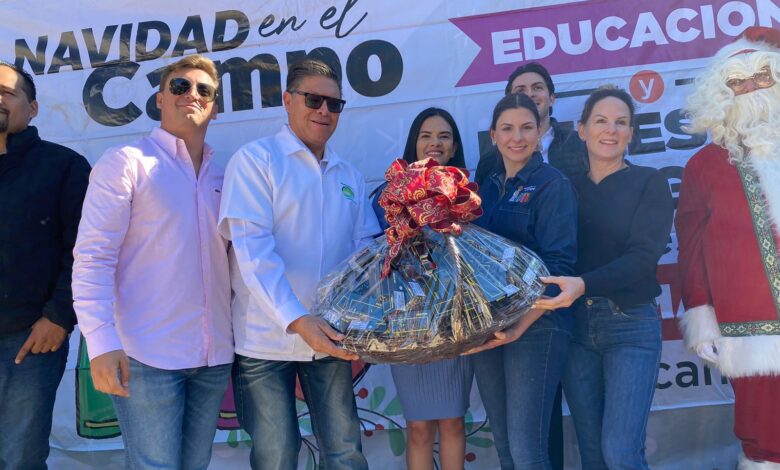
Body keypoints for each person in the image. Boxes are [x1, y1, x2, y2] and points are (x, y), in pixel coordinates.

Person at [72, 54, 232, 469]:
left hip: (213, 357)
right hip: (146, 357)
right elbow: (93, 257)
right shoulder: (126, 162)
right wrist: (101, 344)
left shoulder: (224, 176)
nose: (191, 94)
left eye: (203, 90)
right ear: (160, 99)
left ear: (214, 107)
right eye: (180, 86)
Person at [218, 59, 378, 470]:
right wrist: (297, 318)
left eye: (334, 104)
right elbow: (253, 253)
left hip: (330, 336)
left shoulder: (349, 175)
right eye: (313, 99)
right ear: (288, 101)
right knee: (277, 456)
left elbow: (363, 253)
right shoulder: (256, 160)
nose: (324, 110)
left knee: (344, 451)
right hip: (264, 341)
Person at [535, 86, 674, 469]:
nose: (610, 130)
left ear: (631, 133)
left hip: (630, 324)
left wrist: (583, 284)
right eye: (600, 121)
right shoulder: (564, 187)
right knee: (593, 453)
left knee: (620, 452)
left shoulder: (650, 182)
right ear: (581, 130)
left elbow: (642, 258)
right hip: (575, 328)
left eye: (620, 122)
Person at [676, 26, 780, 469]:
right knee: (766, 438)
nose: (751, 87)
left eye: (761, 76)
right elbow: (691, 248)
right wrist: (700, 314)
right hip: (752, 326)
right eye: (737, 81)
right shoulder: (704, 166)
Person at [465, 92, 578, 470]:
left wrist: (520, 325)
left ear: (540, 131)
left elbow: (559, 267)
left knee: (528, 450)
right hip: (489, 326)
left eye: (527, 127)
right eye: (507, 129)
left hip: (537, 326)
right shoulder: (484, 187)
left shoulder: (552, 184)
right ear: (493, 135)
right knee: (505, 447)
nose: (517, 137)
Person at [370, 107, 473, 470]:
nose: (435, 143)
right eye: (426, 135)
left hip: (455, 319)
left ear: (455, 145)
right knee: (417, 427)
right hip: (408, 320)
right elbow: (377, 252)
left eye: (444, 136)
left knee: (453, 421)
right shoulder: (391, 193)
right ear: (414, 143)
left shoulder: (466, 192)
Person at [0, 61, 90, 469]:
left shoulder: (64, 166)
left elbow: (85, 251)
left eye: (7, 92)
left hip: (28, 341)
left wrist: (59, 316)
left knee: (19, 458)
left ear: (33, 108)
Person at [474, 62, 587, 185]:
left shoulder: (579, 145)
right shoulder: (489, 162)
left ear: (551, 99)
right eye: (521, 90)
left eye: (537, 88)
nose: (529, 94)